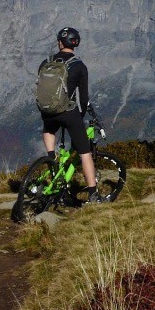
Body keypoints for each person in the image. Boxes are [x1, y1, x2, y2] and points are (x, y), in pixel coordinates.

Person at [38, 27, 103, 204]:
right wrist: (79, 120)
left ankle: (51, 158)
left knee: (49, 128)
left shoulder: (46, 62)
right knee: (85, 153)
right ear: (76, 43)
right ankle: (93, 194)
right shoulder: (79, 66)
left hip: (47, 111)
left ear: (60, 42)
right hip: (68, 113)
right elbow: (83, 98)